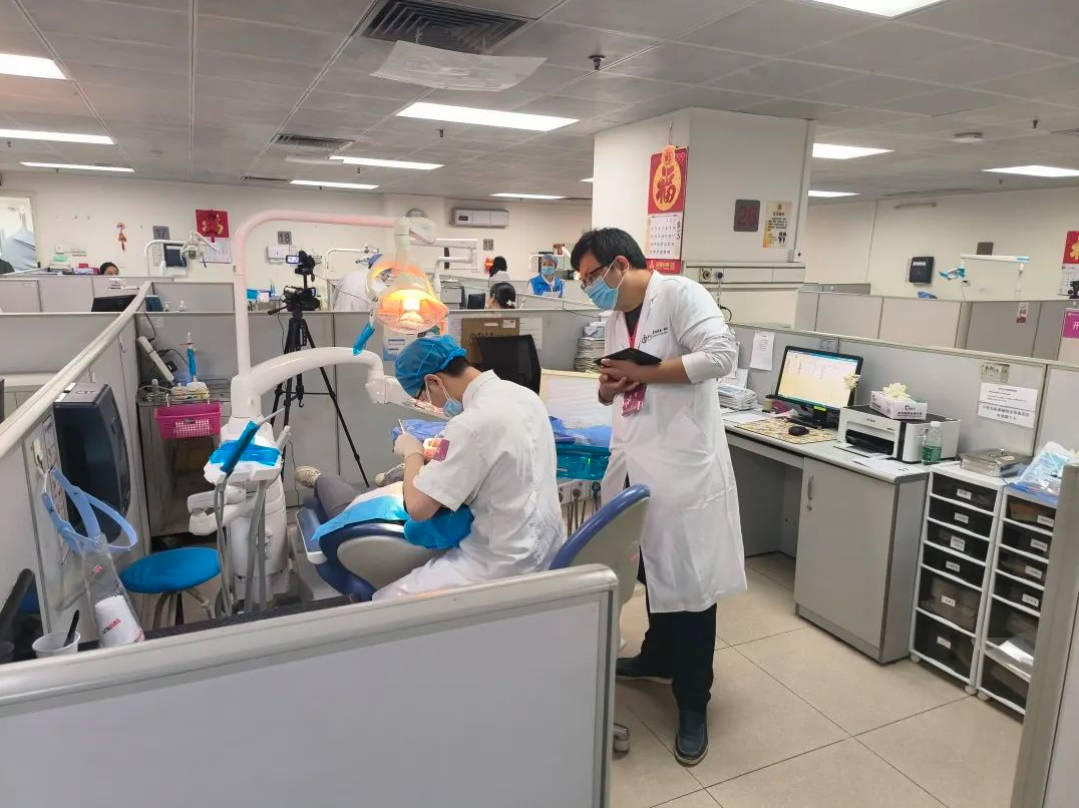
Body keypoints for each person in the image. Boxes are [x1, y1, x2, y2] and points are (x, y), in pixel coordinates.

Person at [570, 227, 745, 767]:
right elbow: (611, 385)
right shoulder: (614, 317)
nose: (589, 287)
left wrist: (645, 371)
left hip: (682, 465)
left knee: (689, 583)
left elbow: (722, 356)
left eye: (592, 276)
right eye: (582, 281)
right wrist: (609, 385)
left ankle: (694, 703)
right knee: (649, 566)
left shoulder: (681, 294)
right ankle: (657, 656)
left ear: (620, 265)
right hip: (634, 459)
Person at [376, 334, 564, 600]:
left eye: (423, 398)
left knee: (384, 601)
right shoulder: (524, 396)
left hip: (501, 564)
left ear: (433, 381)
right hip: (549, 550)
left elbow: (418, 508)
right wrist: (447, 453)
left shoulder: (470, 424)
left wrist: (412, 451)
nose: (431, 406)